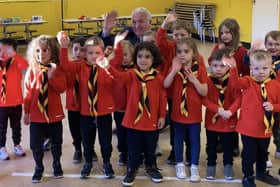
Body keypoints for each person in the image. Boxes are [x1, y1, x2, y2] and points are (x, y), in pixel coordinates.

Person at [98, 41, 166, 186]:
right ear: (136, 58)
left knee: (150, 147)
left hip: (151, 120)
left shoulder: (158, 77)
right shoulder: (131, 74)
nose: (143, 59)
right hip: (133, 120)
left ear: (153, 59)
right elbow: (118, 76)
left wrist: (161, 115)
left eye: (147, 56)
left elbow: (162, 98)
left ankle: (151, 167)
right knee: (133, 148)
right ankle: (132, 168)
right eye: (140, 56)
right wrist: (108, 66)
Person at [57, 32, 116, 179]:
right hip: (86, 113)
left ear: (103, 53)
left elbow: (116, 82)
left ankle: (107, 163)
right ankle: (88, 163)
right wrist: (64, 48)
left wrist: (108, 63)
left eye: (97, 52)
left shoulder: (107, 67)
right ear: (85, 54)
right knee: (87, 141)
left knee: (105, 141)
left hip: (104, 113)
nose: (94, 56)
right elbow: (64, 66)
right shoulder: (80, 66)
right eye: (90, 53)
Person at [157, 12, 205, 165]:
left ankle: (191, 152)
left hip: (191, 97)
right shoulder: (171, 48)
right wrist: (165, 24)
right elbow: (160, 40)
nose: (178, 38)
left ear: (190, 35)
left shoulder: (198, 57)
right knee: (175, 125)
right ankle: (174, 151)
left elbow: (203, 79)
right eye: (176, 34)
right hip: (173, 94)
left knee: (191, 126)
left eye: (182, 34)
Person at [227, 50, 280, 187]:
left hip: (265, 129)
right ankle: (248, 176)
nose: (261, 72)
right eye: (256, 68)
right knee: (249, 155)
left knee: (263, 153)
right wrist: (233, 69)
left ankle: (261, 173)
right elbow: (235, 85)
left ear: (271, 68)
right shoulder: (247, 82)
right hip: (248, 129)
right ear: (251, 69)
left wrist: (273, 107)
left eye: (264, 68)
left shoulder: (275, 85)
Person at [163, 38, 208, 182]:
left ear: (194, 53)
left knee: (194, 140)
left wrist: (194, 80)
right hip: (177, 113)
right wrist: (174, 71)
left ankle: (194, 165)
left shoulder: (200, 70)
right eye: (179, 52)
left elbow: (204, 92)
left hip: (194, 114)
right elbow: (165, 84)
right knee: (178, 140)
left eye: (186, 51)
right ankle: (179, 163)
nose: (182, 54)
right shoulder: (175, 69)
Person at [23, 35, 66, 183]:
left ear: (53, 52)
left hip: (54, 115)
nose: (41, 54)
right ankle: (38, 167)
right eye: (37, 50)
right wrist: (26, 112)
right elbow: (28, 93)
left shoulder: (57, 69)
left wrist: (52, 77)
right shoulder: (31, 71)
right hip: (36, 116)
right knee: (36, 145)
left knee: (56, 143)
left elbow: (62, 89)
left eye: (45, 50)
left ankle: (56, 164)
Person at [209, 18, 249, 156]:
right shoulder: (217, 47)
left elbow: (246, 71)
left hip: (233, 88)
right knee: (219, 113)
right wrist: (218, 52)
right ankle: (221, 140)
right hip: (218, 86)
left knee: (232, 115)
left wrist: (240, 84)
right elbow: (211, 62)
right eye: (222, 32)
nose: (224, 35)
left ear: (235, 33)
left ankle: (234, 143)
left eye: (228, 32)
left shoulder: (241, 51)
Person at [203, 48, 241, 180]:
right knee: (211, 145)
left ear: (228, 67)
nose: (218, 69)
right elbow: (204, 99)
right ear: (210, 65)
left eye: (222, 66)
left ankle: (228, 165)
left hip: (228, 120)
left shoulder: (233, 80)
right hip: (212, 120)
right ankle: (211, 164)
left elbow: (238, 98)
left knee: (228, 145)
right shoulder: (208, 80)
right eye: (215, 65)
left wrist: (230, 111)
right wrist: (218, 110)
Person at [65, 36, 98, 163]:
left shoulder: (91, 67)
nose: (79, 53)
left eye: (83, 50)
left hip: (88, 104)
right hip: (73, 104)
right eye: (76, 49)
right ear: (72, 51)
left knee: (90, 128)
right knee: (75, 129)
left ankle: (90, 149)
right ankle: (78, 149)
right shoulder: (69, 66)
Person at [0, 38, 28, 160]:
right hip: (1, 104)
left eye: (6, 50)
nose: (2, 53)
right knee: (1, 128)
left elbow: (26, 68)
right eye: (0, 49)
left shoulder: (16, 63)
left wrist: (15, 56)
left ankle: (17, 144)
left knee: (16, 126)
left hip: (16, 103)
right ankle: (1, 147)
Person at [111, 37, 135, 166]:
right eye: (121, 55)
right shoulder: (115, 67)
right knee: (121, 132)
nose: (123, 58)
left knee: (133, 133)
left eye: (126, 55)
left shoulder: (136, 68)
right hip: (119, 108)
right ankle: (123, 153)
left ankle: (133, 152)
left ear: (132, 54)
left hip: (134, 108)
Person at [264, 31, 280, 160]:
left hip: (278, 101)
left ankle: (279, 146)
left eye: (277, 44)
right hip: (265, 98)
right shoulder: (262, 58)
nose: (273, 47)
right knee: (264, 125)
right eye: (270, 44)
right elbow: (248, 61)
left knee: (278, 127)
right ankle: (265, 152)